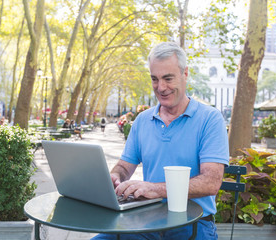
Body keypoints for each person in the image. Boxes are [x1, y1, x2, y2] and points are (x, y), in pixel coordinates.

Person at [91, 42, 229, 240]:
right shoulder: (142, 121)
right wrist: (115, 177)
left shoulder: (210, 119)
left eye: (168, 78)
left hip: (194, 224)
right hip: (148, 222)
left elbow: (211, 183)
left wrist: (154, 189)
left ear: (185, 74)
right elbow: (124, 166)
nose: (161, 87)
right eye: (154, 79)